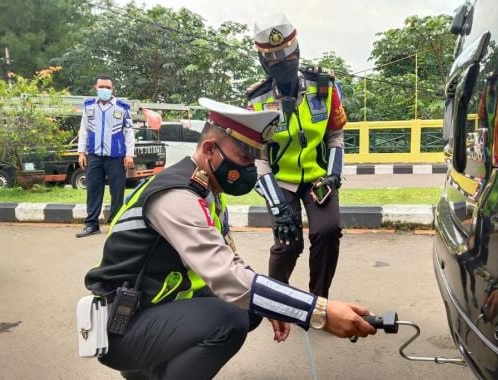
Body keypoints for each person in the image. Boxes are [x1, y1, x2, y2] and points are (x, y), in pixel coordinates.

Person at [83, 98, 374, 379]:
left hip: (150, 310)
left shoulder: (204, 187)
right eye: (244, 158)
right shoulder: (177, 196)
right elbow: (228, 278)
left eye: (255, 160)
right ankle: (150, 371)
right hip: (122, 325)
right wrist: (317, 311)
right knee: (230, 320)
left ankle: (146, 369)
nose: (249, 169)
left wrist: (277, 304)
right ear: (210, 149)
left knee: (250, 309)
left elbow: (231, 263)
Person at [247, 13, 347, 298]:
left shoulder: (324, 87)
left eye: (288, 57)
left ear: (298, 52)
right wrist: (278, 207)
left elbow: (335, 135)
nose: (283, 65)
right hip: (281, 182)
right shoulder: (257, 101)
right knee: (287, 242)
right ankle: (276, 299)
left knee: (327, 232)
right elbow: (259, 157)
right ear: (264, 62)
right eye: (274, 60)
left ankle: (318, 301)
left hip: (318, 177)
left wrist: (333, 174)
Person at [76, 75, 135, 238]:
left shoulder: (122, 107)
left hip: (116, 156)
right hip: (94, 155)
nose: (105, 90)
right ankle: (91, 225)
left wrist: (130, 154)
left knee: (117, 191)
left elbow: (129, 132)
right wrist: (81, 152)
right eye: (102, 87)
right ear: (95, 87)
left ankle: (115, 224)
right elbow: (84, 130)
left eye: (108, 87)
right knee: (93, 190)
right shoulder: (89, 106)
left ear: (113, 89)